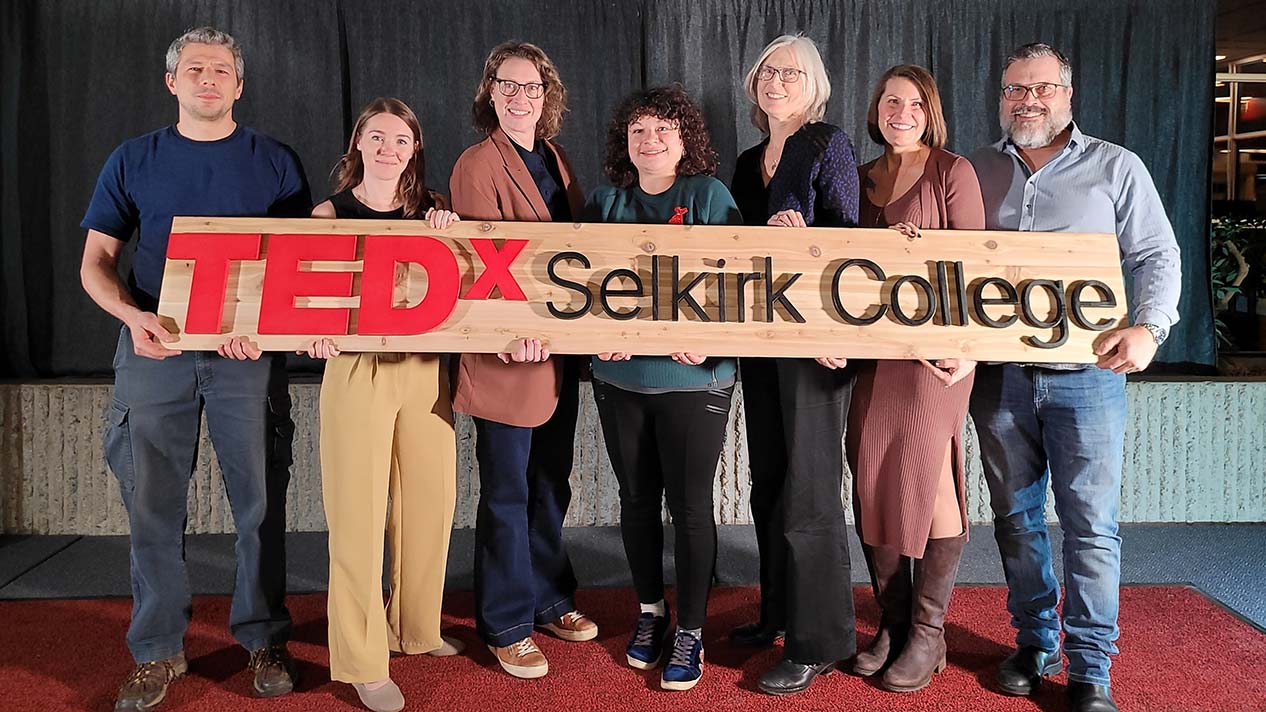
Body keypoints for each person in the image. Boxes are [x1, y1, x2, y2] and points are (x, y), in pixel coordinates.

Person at [79, 27, 307, 711]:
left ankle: (264, 639)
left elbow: (297, 269)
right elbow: (96, 263)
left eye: (221, 70)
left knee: (259, 505)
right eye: (194, 69)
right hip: (155, 349)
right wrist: (133, 318)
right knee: (151, 505)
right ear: (172, 82)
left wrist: (262, 330)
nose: (208, 79)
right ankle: (155, 651)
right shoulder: (133, 159)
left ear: (239, 86)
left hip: (247, 357)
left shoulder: (274, 162)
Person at [968, 43, 1181, 712]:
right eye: (1013, 90)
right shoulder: (973, 170)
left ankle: (1091, 668)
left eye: (1040, 88)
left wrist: (1150, 329)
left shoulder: (1116, 167)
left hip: (1087, 377)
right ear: (1001, 97)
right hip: (998, 379)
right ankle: (1037, 641)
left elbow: (1157, 254)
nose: (1026, 100)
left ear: (1067, 94)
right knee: (1015, 519)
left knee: (1090, 524)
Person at [303, 98, 462, 712]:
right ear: (358, 144)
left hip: (424, 370)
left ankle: (417, 629)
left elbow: (464, 282)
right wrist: (311, 334)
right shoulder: (328, 212)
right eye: (377, 136)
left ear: (414, 148)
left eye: (401, 139)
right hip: (355, 370)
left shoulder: (434, 212)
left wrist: (451, 236)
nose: (388, 148)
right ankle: (363, 660)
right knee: (358, 515)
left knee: (430, 500)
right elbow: (306, 295)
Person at [585, 85, 742, 692]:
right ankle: (651, 612)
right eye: (638, 131)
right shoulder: (605, 200)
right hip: (621, 378)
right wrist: (596, 336)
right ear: (625, 143)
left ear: (684, 141)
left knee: (692, 506)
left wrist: (713, 340)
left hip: (693, 378)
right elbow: (576, 283)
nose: (649, 141)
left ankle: (692, 630)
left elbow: (741, 281)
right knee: (635, 501)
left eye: (663, 131)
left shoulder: (707, 195)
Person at [448, 40, 595, 680]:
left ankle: (548, 596)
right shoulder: (476, 164)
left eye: (530, 87)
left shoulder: (554, 159)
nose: (519, 96)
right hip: (508, 355)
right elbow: (484, 269)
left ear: (547, 96)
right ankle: (506, 621)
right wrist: (512, 334)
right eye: (507, 85)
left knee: (548, 483)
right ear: (490, 93)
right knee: (507, 491)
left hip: (556, 354)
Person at [845, 64, 985, 693]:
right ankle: (895, 624)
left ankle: (929, 633)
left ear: (931, 110)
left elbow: (977, 267)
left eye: (912, 103)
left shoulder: (951, 171)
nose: (899, 112)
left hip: (937, 356)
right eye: (889, 102)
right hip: (874, 354)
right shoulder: (861, 176)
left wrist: (969, 350)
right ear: (876, 110)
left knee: (930, 482)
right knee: (872, 476)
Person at [730, 33, 861, 696]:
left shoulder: (826, 143)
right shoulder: (749, 157)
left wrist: (804, 238)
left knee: (810, 494)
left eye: (791, 73)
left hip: (816, 343)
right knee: (770, 482)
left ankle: (820, 641)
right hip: (762, 341)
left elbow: (850, 237)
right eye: (768, 72)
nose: (776, 81)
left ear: (813, 85)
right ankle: (777, 612)